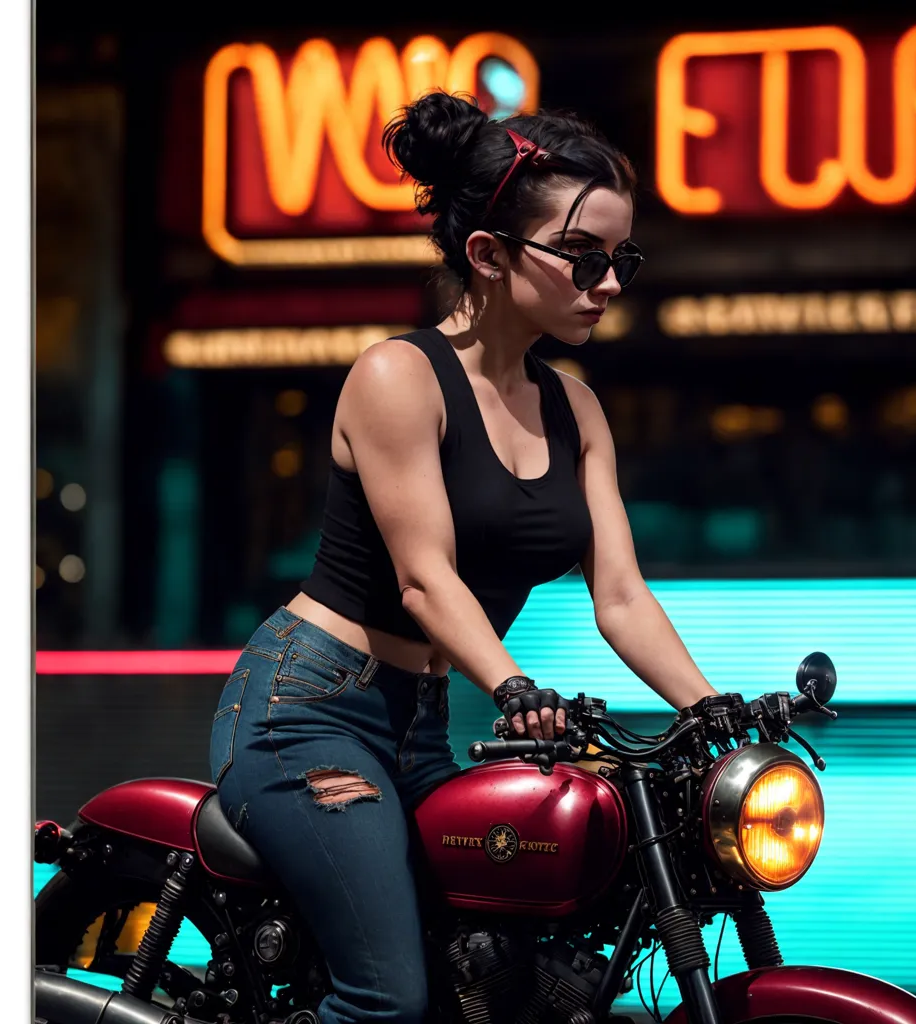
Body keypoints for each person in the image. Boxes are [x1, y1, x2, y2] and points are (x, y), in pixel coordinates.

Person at [208, 90, 718, 1024]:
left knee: (503, 975)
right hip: (308, 713)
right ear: (486, 254)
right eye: (584, 258)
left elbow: (622, 597)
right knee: (390, 1002)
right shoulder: (398, 377)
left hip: (420, 728)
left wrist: (712, 711)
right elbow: (423, 577)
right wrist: (517, 686)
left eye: (622, 261)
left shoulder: (576, 408)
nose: (607, 284)